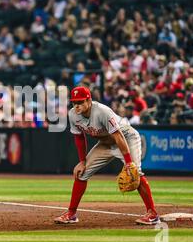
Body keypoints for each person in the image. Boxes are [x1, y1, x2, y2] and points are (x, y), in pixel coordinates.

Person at [54, 86, 159, 225]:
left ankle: (152, 214)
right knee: (81, 173)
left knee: (135, 173)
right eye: (74, 103)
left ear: (89, 100)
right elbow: (79, 138)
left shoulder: (102, 111)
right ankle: (71, 214)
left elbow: (118, 136)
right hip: (105, 143)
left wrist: (128, 162)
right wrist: (82, 161)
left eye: (80, 102)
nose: (77, 106)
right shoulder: (73, 114)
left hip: (126, 138)